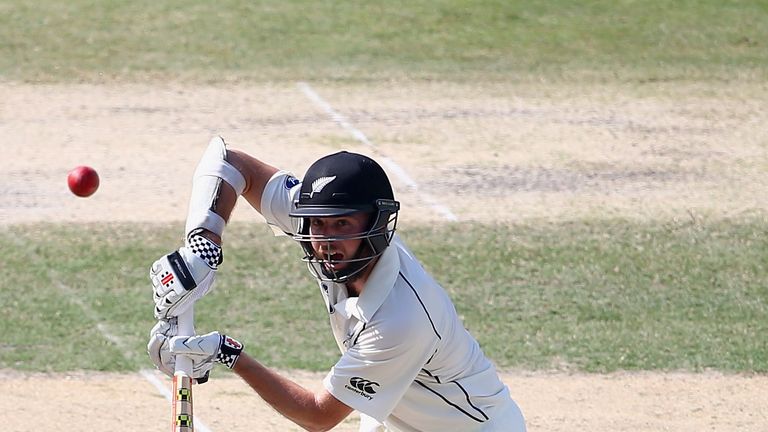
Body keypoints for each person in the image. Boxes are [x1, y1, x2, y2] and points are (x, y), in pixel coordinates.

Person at [147, 136, 526, 432]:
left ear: (376, 223)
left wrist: (228, 353)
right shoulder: (318, 222)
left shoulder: (402, 319)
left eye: (342, 224)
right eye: (319, 225)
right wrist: (203, 242)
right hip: (398, 415)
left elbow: (318, 416)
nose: (326, 239)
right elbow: (229, 162)